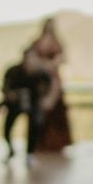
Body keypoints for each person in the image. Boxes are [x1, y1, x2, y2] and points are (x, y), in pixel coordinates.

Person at [23, 17, 72, 155]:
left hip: (54, 82)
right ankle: (39, 143)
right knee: (38, 112)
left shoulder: (57, 44)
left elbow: (60, 60)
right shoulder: (37, 43)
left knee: (55, 113)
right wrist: (43, 65)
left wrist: (49, 65)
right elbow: (30, 60)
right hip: (40, 82)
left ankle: (56, 143)